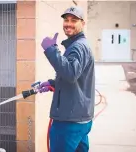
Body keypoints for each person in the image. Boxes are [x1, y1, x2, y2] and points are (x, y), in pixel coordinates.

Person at [39, 6, 95, 152]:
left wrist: (52, 51)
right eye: (66, 20)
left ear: (83, 23)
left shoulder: (78, 47)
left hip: (69, 122)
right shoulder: (77, 45)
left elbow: (70, 74)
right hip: (79, 118)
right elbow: (76, 77)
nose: (68, 23)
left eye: (74, 20)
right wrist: (54, 84)